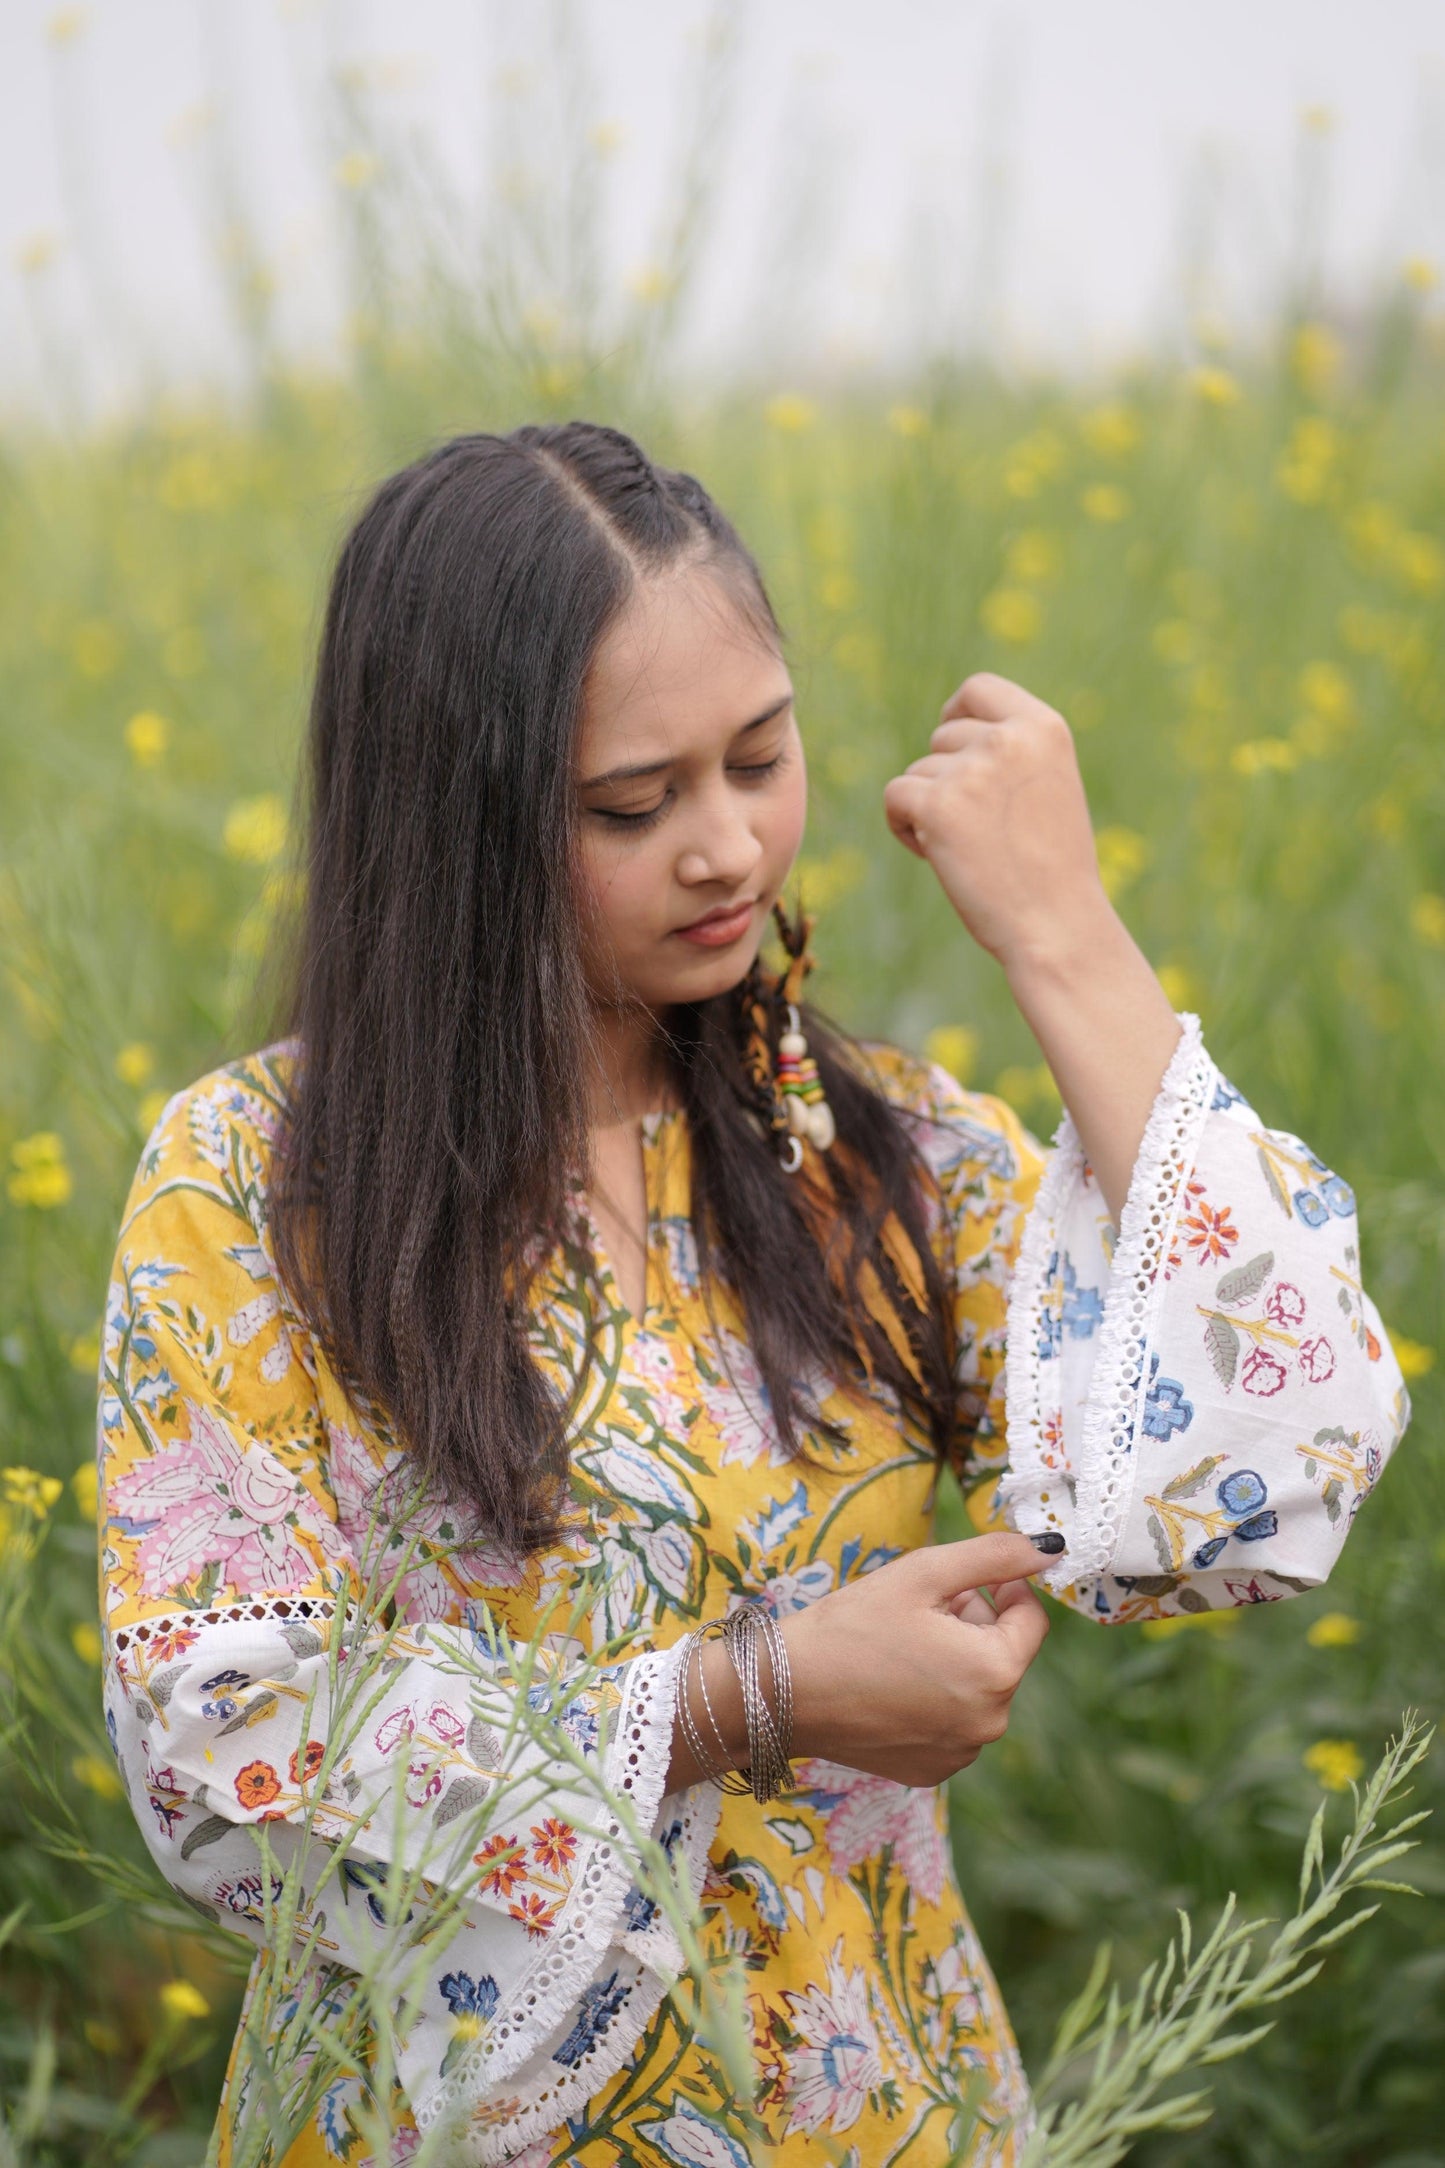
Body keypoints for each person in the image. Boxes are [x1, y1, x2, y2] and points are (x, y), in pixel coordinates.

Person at [95, 421, 1409, 2167]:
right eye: (633, 804)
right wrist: (750, 1698)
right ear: (452, 816)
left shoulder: (869, 1158)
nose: (725, 848)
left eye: (760, 758)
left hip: (885, 2115)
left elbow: (1278, 1462)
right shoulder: (261, 1188)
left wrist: (1067, 940)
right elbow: (214, 1739)